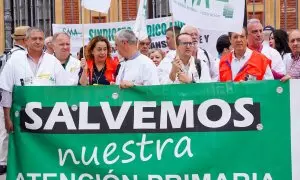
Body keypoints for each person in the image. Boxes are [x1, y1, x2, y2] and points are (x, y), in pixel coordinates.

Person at [0, 27, 71, 175]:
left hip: (49, 116)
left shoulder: (53, 62)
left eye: (40, 38)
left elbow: (64, 90)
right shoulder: (14, 61)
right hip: (21, 116)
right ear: (26, 41)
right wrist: (7, 118)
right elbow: (6, 90)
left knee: (46, 147)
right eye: (34, 39)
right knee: (24, 149)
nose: (38, 42)